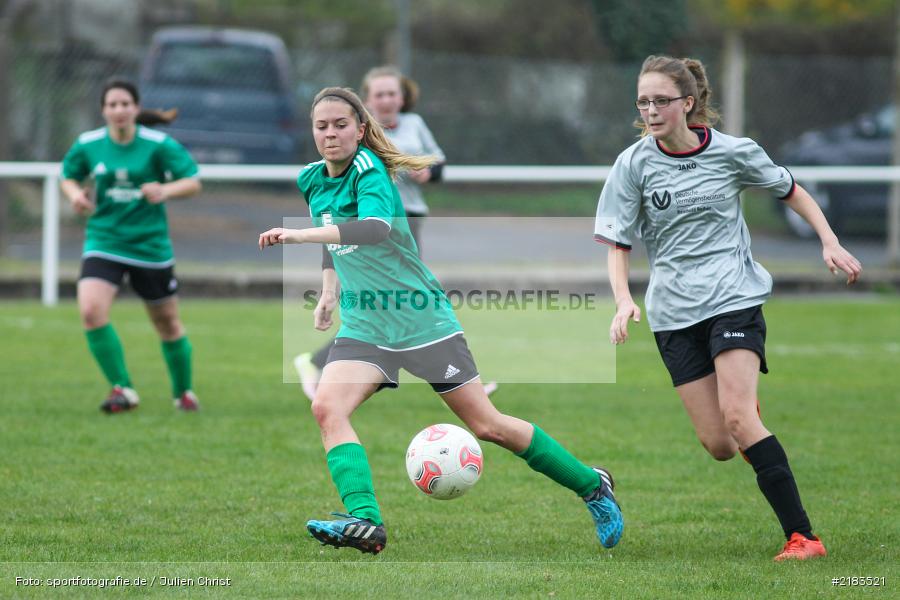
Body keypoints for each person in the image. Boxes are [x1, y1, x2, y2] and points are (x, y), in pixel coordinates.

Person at [260, 86, 623, 555]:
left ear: (361, 130)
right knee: (327, 408)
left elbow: (374, 229)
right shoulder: (312, 178)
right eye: (321, 126)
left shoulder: (369, 171)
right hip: (367, 326)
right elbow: (336, 238)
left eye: (340, 125)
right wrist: (328, 292)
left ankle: (592, 486)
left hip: (421, 320)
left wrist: (298, 235)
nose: (330, 134)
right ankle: (366, 522)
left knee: (488, 425)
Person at [594, 55, 862, 561]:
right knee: (719, 444)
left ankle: (803, 537)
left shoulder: (733, 153)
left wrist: (828, 241)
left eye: (661, 101)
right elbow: (617, 243)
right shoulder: (632, 165)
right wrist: (623, 300)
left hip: (733, 297)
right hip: (674, 313)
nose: (651, 110)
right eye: (643, 102)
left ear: (687, 103)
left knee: (738, 419)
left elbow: (792, 191)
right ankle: (742, 410)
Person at [293, 67, 497, 399]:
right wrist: (326, 287)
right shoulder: (354, 146)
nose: (387, 99)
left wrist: (425, 173)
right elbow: (339, 224)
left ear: (402, 97)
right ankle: (453, 375)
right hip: (371, 225)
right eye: (380, 94)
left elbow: (438, 165)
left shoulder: (412, 126)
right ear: (368, 101)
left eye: (392, 93)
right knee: (389, 297)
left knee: (399, 294)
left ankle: (458, 376)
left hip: (405, 218)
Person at [61, 79, 202, 413]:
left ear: (136, 109)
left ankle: (183, 392)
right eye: (112, 104)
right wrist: (76, 195)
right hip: (104, 240)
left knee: (166, 322)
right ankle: (122, 388)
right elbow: (68, 175)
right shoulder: (88, 144)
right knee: (90, 311)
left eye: (125, 104)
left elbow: (193, 182)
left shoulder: (158, 144)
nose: (119, 110)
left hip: (149, 246)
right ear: (103, 110)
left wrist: (165, 191)